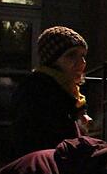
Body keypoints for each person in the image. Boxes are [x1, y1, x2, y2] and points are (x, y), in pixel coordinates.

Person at [11, 26, 89, 159]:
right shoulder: (39, 92)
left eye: (83, 56)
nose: (81, 63)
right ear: (52, 61)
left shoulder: (67, 91)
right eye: (71, 55)